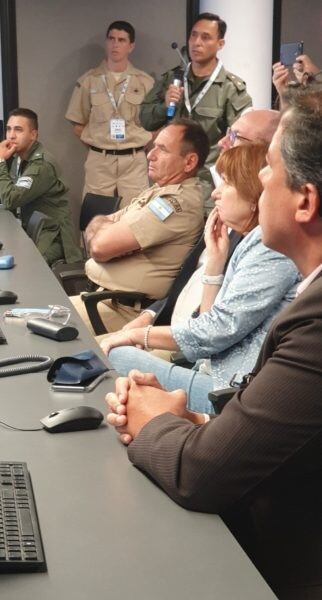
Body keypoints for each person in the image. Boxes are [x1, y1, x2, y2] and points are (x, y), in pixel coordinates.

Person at [105, 86, 322, 598]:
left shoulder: (316, 326)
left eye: (267, 166)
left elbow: (197, 475)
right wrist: (197, 421)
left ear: (306, 200)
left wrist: (152, 415)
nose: (255, 178)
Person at [101, 143, 300, 414]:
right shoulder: (246, 242)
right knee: (111, 359)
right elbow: (212, 329)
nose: (216, 193)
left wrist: (139, 334)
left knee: (114, 356)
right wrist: (216, 265)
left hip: (227, 392)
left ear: (254, 195)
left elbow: (217, 331)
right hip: (212, 371)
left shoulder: (269, 248)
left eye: (226, 184)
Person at [109, 108, 281, 338]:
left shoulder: (262, 240)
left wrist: (142, 336)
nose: (222, 142)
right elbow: (186, 283)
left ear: (268, 153)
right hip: (165, 324)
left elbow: (214, 333)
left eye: (235, 136)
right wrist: (148, 317)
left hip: (184, 341)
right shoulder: (224, 216)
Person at [69, 119, 207, 334]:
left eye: (162, 150)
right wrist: (103, 225)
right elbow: (99, 223)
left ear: (189, 163)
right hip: (102, 300)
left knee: (29, 328)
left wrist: (106, 230)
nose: (150, 154)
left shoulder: (176, 203)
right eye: (153, 147)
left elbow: (99, 247)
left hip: (125, 313)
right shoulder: (157, 192)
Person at [140, 12, 252, 214]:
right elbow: (145, 120)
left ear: (220, 44)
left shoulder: (230, 87)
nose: (197, 42)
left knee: (203, 244)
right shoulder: (171, 79)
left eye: (206, 37)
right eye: (193, 35)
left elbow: (244, 138)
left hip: (207, 188)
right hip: (169, 183)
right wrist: (165, 106)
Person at [0, 108, 82, 266]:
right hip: (35, 232)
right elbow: (12, 190)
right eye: (8, 129)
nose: (11, 135)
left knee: (24, 268)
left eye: (18, 130)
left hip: (53, 238)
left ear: (33, 135)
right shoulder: (19, 158)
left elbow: (11, 200)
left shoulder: (41, 165)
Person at [65, 21, 154, 207]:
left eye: (121, 40)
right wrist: (98, 144)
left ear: (131, 46)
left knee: (135, 216)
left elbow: (155, 125)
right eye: (111, 39)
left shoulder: (145, 82)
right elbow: (78, 125)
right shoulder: (89, 81)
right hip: (99, 160)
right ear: (106, 42)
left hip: (134, 161)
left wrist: (139, 148)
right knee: (94, 217)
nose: (115, 44)